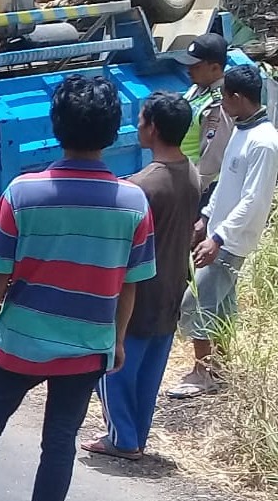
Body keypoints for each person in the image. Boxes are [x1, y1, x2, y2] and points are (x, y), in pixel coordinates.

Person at [0, 74, 156, 501]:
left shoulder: (22, 193)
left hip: (18, 342)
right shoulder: (133, 203)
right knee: (59, 442)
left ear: (56, 126)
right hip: (86, 346)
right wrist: (116, 340)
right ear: (113, 130)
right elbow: (129, 284)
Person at [82, 92, 200, 459]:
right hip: (172, 288)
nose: (138, 126)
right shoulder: (191, 173)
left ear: (154, 129)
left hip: (138, 292)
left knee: (112, 366)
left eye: (142, 120)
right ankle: (136, 435)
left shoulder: (141, 186)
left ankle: (122, 439)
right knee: (149, 370)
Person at [168, 64, 278, 399]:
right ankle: (220, 369)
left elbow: (253, 200)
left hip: (233, 239)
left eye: (225, 97)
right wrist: (205, 219)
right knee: (221, 305)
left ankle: (202, 374)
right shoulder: (241, 131)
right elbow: (224, 186)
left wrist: (218, 238)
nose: (222, 103)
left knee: (196, 303)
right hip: (220, 232)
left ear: (238, 97)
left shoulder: (264, 142)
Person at [175, 33, 233, 202]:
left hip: (202, 187)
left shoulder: (218, 102)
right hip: (184, 178)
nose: (189, 70)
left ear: (215, 68)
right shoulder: (197, 89)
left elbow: (213, 154)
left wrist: (195, 189)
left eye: (196, 66)